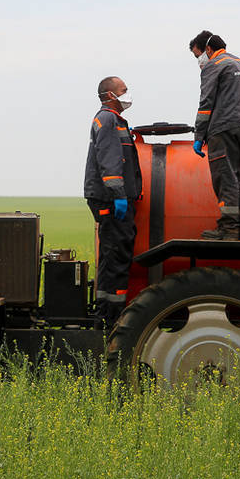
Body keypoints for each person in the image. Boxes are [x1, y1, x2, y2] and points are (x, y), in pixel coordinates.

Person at [189, 30, 240, 241]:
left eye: (197, 55)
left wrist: (199, 135)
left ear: (208, 49)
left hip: (224, 128)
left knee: (225, 178)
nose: (199, 61)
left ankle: (229, 229)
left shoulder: (214, 64)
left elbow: (206, 103)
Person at [84, 76, 142, 329]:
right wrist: (119, 195)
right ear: (110, 95)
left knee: (111, 255)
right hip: (110, 198)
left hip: (113, 197)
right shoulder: (107, 119)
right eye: (123, 90)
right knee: (117, 255)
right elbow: (109, 159)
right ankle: (112, 320)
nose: (127, 94)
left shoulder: (115, 120)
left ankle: (105, 314)